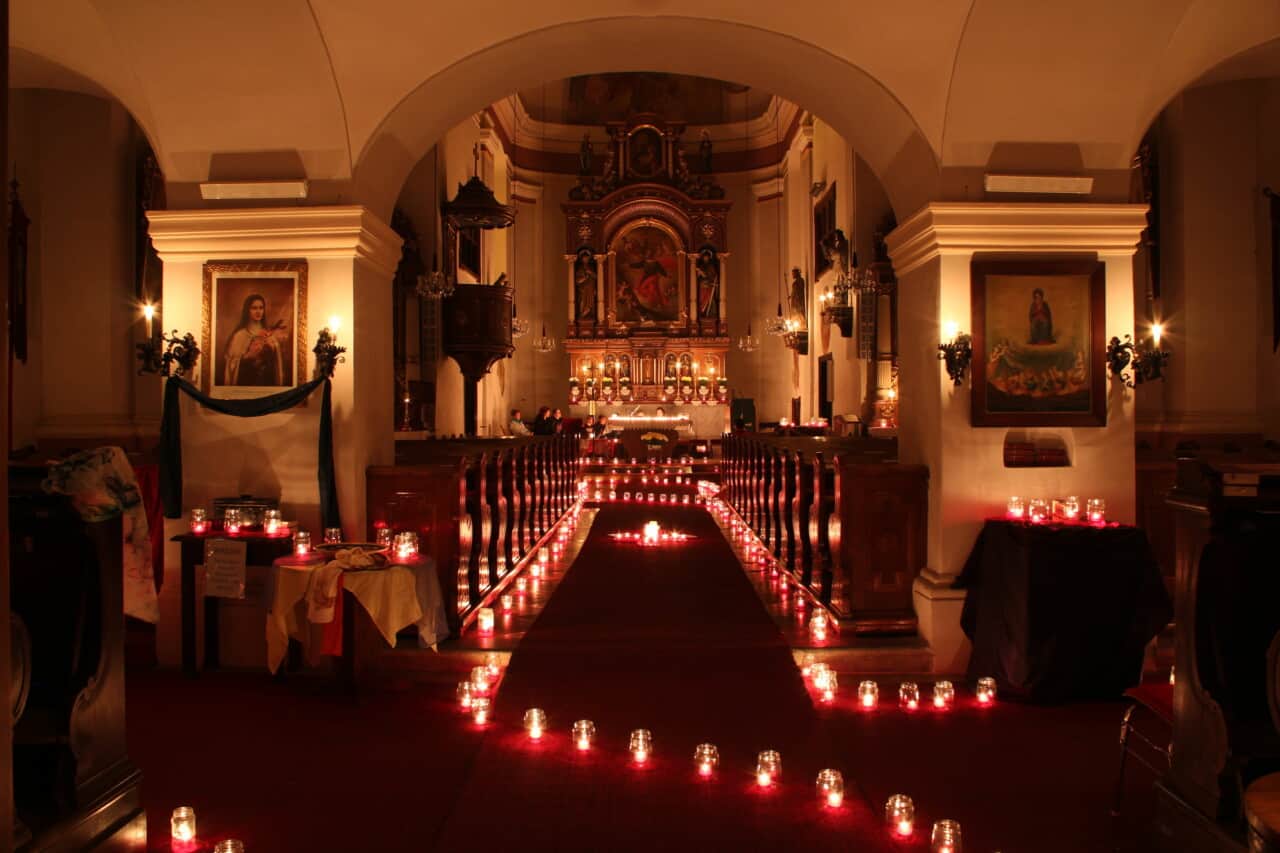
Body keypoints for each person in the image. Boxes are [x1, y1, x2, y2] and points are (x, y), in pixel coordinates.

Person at [224, 293, 285, 385]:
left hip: (266, 385)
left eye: (261, 308)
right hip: (245, 385)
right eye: (254, 308)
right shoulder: (239, 336)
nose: (258, 311)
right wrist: (248, 356)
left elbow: (277, 368)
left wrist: (272, 347)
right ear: (247, 310)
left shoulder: (270, 337)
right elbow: (230, 366)